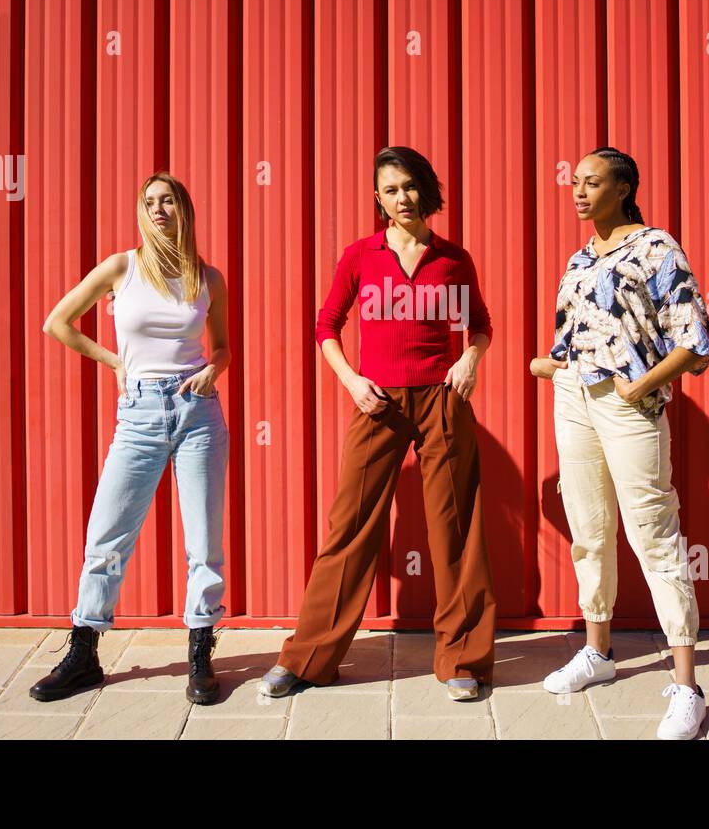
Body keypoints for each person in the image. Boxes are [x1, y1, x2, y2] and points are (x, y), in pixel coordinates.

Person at [259, 146, 497, 702]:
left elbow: (481, 325)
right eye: (390, 190)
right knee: (350, 527)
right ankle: (309, 658)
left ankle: (462, 659)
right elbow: (327, 325)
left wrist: (470, 359)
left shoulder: (452, 259)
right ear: (378, 199)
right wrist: (352, 381)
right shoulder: (360, 256)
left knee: (454, 531)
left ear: (425, 190)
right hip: (378, 401)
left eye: (410, 187)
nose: (402, 198)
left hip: (442, 400)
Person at [529, 146, 709, 739]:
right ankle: (599, 654)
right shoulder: (580, 258)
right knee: (588, 531)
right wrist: (552, 366)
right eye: (575, 182)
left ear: (624, 187)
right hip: (574, 401)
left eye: (593, 182)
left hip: (629, 407)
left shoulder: (657, 248)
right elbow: (570, 336)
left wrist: (643, 387)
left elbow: (696, 339)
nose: (579, 191)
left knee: (654, 536)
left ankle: (688, 687)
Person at [30, 171, 231, 705]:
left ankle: (200, 651)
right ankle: (83, 652)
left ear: (183, 209)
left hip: (198, 415)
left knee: (204, 543)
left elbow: (225, 346)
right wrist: (114, 360)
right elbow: (57, 322)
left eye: (167, 201)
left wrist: (215, 368)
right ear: (141, 212)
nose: (158, 209)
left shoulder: (207, 278)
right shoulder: (123, 267)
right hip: (139, 414)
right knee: (107, 536)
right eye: (149, 202)